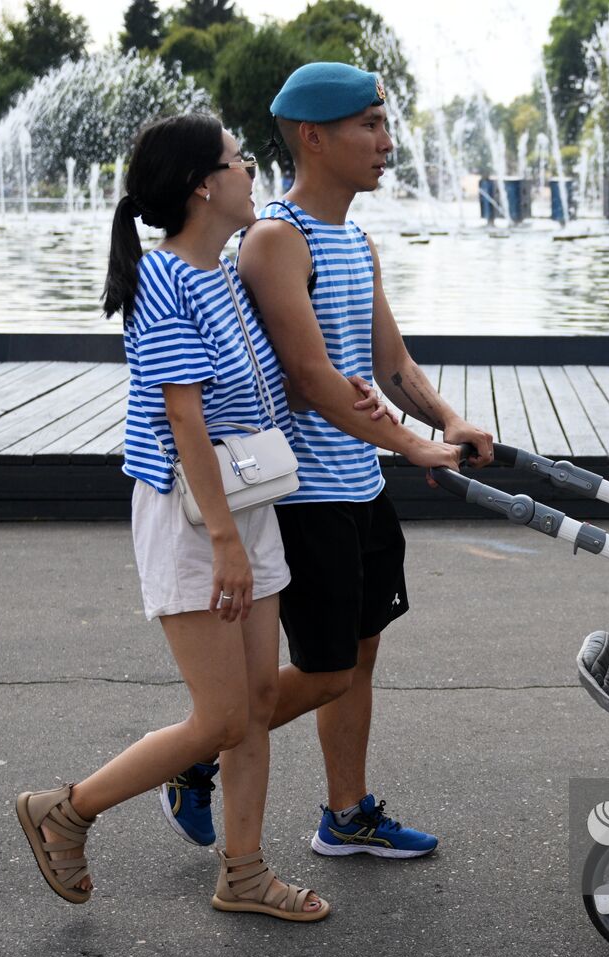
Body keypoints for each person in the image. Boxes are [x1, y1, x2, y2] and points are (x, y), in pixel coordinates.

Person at [159, 63, 493, 861]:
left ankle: (346, 815)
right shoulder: (277, 240)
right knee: (324, 670)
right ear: (315, 137)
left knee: (359, 654)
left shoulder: (353, 238)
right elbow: (310, 375)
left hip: (360, 481)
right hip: (304, 493)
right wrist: (415, 444)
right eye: (369, 126)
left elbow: (389, 362)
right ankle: (194, 752)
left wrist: (447, 417)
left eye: (384, 125)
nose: (386, 143)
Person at [17, 114, 328, 921]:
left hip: (244, 499)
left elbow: (253, 391)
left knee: (257, 703)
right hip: (195, 517)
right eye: (240, 161)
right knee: (221, 716)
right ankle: (67, 808)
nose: (252, 172)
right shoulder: (164, 281)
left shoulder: (223, 274)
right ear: (203, 185)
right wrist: (224, 541)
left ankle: (246, 873)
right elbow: (183, 419)